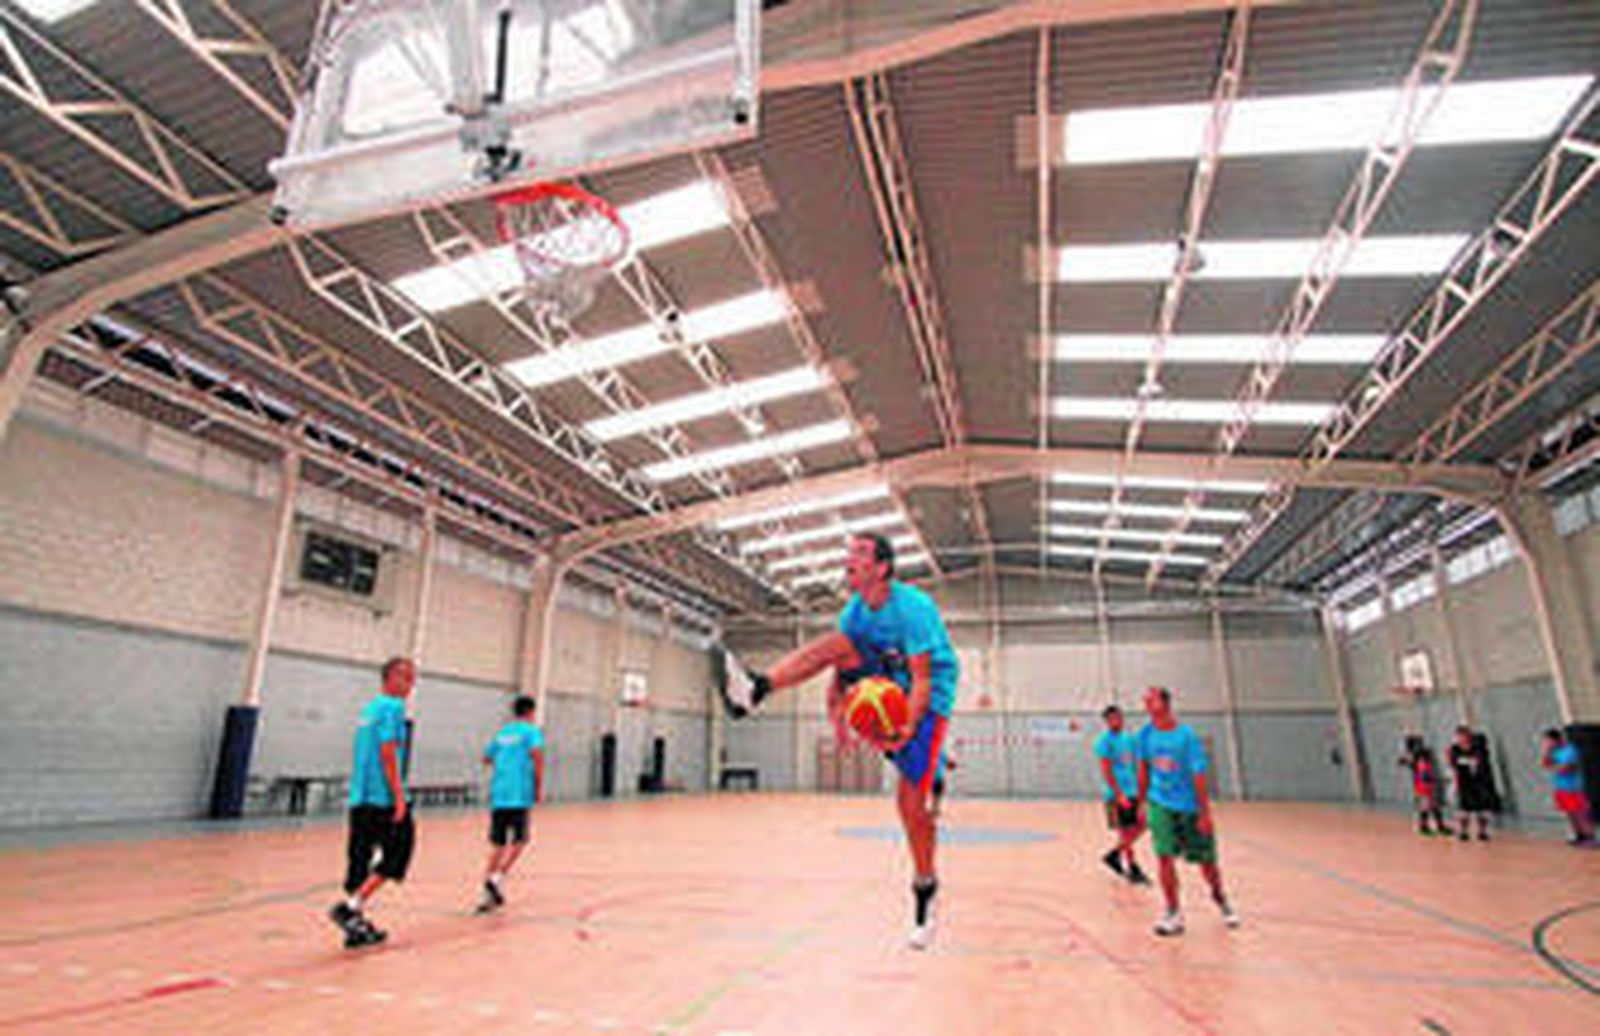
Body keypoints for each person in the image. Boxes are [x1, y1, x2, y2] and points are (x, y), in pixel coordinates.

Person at [720, 531, 958, 950]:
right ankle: (756, 690)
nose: (848, 559)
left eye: (859, 553)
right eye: (848, 552)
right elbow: (839, 662)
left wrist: (908, 727)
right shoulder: (855, 612)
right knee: (838, 643)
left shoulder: (914, 608)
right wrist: (837, 716)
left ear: (881, 567)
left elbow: (921, 679)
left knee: (909, 804)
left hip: (928, 696)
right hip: (884, 682)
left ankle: (926, 886)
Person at [1134, 686, 1238, 936]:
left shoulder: (1186, 737)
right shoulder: (1144, 736)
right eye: (1145, 699)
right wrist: (1142, 802)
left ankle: (1220, 897)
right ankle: (1173, 912)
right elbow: (1143, 770)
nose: (1146, 702)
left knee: (1207, 865)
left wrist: (1204, 813)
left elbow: (1199, 776)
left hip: (1190, 806)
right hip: (1160, 803)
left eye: (1152, 698)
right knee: (1164, 856)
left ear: (1165, 703)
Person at [328, 656, 416, 949]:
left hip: (360, 797)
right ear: (389, 677)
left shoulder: (368, 709)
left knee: (359, 860)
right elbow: (388, 752)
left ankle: (356, 926)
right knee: (398, 852)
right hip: (382, 798)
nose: (410, 684)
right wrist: (399, 796)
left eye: (413, 677)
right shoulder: (393, 708)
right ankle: (351, 908)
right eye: (405, 676)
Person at [476, 694, 546, 913]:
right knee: (520, 840)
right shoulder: (531, 732)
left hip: (499, 793)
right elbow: (537, 757)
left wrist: (505, 763)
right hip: (519, 793)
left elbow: (486, 758)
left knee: (497, 844)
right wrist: (537, 787)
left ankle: (487, 894)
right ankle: (497, 878)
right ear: (531, 712)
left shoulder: (503, 733)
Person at [1094, 704, 1148, 885]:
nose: (1117, 721)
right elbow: (1106, 770)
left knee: (1142, 825)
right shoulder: (1104, 742)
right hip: (1117, 795)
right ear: (1107, 721)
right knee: (1125, 831)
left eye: (1119, 717)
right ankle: (1133, 867)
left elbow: (1134, 763)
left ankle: (1114, 855)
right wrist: (1118, 794)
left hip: (1132, 790)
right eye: (1113, 719)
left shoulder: (1127, 738)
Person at [1542, 728, 1595, 846]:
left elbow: (1569, 767)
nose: (1547, 743)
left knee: (1580, 813)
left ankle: (1590, 837)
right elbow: (1546, 764)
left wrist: (1556, 767)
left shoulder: (1570, 750)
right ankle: (1579, 835)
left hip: (1573, 788)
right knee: (1570, 813)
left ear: (1556, 739)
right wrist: (1547, 752)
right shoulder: (1554, 752)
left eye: (1548, 741)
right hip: (1561, 788)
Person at [1446, 726, 1498, 841]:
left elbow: (1482, 763)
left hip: (1479, 782)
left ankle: (1482, 831)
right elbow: (1453, 764)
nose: (1461, 738)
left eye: (1464, 735)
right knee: (1464, 809)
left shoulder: (1478, 748)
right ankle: (1463, 831)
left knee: (1482, 809)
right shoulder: (1455, 750)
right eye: (1459, 736)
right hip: (1464, 783)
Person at [1399, 736, 1449, 836]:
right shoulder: (1414, 757)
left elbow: (1428, 761)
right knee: (1425, 806)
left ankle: (1440, 826)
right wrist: (1409, 757)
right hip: (1421, 784)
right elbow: (1402, 761)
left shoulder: (1425, 754)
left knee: (1435, 805)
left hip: (1430, 783)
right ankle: (1424, 827)